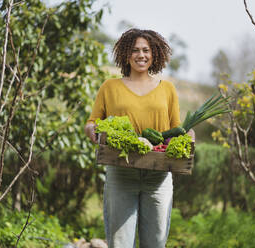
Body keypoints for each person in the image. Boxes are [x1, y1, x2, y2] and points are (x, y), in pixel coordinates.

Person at [85, 28, 195, 248]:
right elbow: (92, 122)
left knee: (155, 243)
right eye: (135, 50)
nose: (140, 55)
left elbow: (176, 128)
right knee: (120, 244)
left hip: (158, 177)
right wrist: (93, 132)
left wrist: (187, 136)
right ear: (126, 54)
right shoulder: (110, 87)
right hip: (121, 174)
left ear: (154, 54)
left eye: (146, 50)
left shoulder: (168, 89)